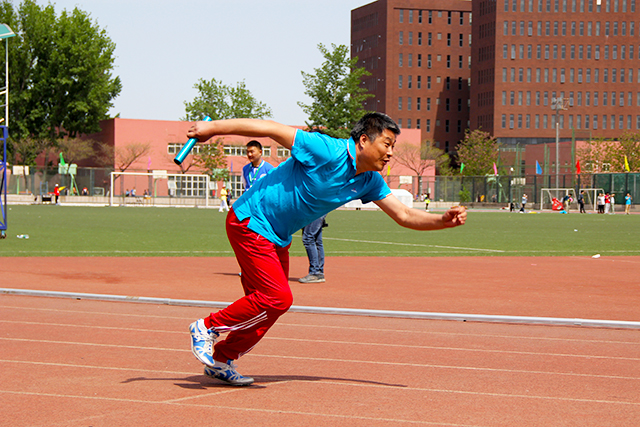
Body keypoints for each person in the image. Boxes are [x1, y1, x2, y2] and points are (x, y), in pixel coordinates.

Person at [185, 113, 467, 386]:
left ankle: (222, 359)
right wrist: (214, 128)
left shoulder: (369, 179)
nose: (391, 153)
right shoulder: (326, 150)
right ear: (364, 140)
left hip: (277, 235)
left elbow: (403, 215)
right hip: (250, 220)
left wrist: (442, 221)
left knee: (267, 307)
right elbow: (270, 128)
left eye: (393, 146)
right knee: (277, 298)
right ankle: (207, 327)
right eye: (387, 144)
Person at [299, 214, 328, 283]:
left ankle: (315, 272)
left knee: (308, 238)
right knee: (316, 240)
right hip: (318, 212)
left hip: (314, 212)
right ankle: (318, 272)